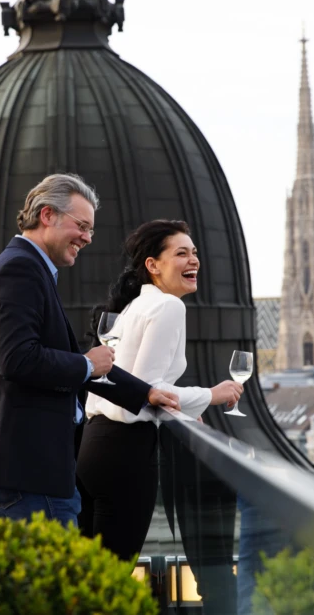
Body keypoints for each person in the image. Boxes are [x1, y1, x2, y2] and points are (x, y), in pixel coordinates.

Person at [0, 174, 179, 527]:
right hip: (32, 474)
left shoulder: (32, 269)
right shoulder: (20, 269)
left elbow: (68, 361)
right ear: (47, 215)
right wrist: (87, 365)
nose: (88, 238)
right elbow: (17, 359)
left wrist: (146, 392)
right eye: (82, 226)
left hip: (39, 472)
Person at [76, 219, 243, 559]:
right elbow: (146, 390)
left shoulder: (135, 305)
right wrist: (213, 394)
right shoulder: (168, 306)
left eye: (194, 252)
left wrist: (181, 410)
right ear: (153, 265)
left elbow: (130, 383)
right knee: (110, 577)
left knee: (89, 574)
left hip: (93, 449)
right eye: (181, 253)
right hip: (126, 454)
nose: (194, 260)